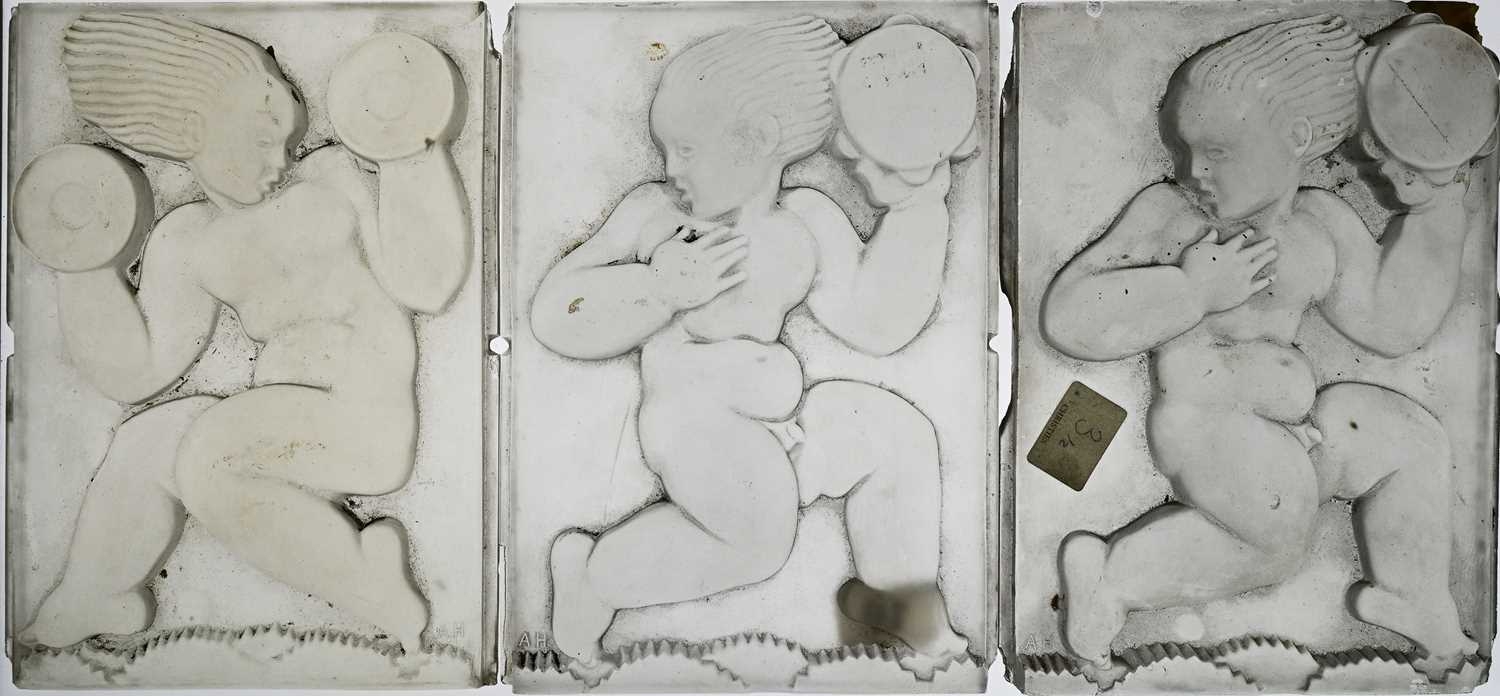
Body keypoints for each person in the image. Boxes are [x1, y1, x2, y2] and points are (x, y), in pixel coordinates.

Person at [1043, 13, 1482, 685]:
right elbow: (1071, 317)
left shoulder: (1320, 226)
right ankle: (1111, 578)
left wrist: (1436, 208)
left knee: (1405, 436)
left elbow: (1392, 322)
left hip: (1293, 434)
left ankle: (1412, 593)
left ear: (1297, 139)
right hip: (1211, 430)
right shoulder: (1172, 218)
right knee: (1278, 535)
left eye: (1218, 151)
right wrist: (1189, 289)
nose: (1194, 170)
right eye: (1186, 148)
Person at [531, 15, 972, 681]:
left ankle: (900, 603)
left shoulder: (806, 223)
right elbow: (555, 314)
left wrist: (917, 206)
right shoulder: (657, 218)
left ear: (761, 137)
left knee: (895, 435)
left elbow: (877, 323)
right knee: (759, 542)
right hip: (699, 430)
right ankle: (595, 575)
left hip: (778, 427)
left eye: (687, 149)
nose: (671, 169)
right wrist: (656, 289)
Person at [19, 13, 470, 655]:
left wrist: (411, 152)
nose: (280, 162)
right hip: (279, 432)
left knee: (210, 457)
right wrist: (83, 264)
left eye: (286, 142)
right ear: (191, 129)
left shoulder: (330, 179)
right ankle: (93, 591)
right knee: (149, 442)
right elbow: (137, 371)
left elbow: (425, 282)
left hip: (363, 415)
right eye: (261, 141)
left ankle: (370, 582)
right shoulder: (187, 241)